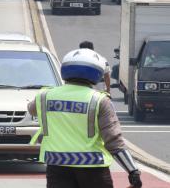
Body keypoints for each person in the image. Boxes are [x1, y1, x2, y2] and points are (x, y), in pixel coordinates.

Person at [28, 49, 143, 188]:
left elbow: (32, 109)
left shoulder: (44, 97)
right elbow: (113, 140)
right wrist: (132, 171)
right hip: (93, 169)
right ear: (96, 73)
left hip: (57, 166)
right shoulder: (99, 100)